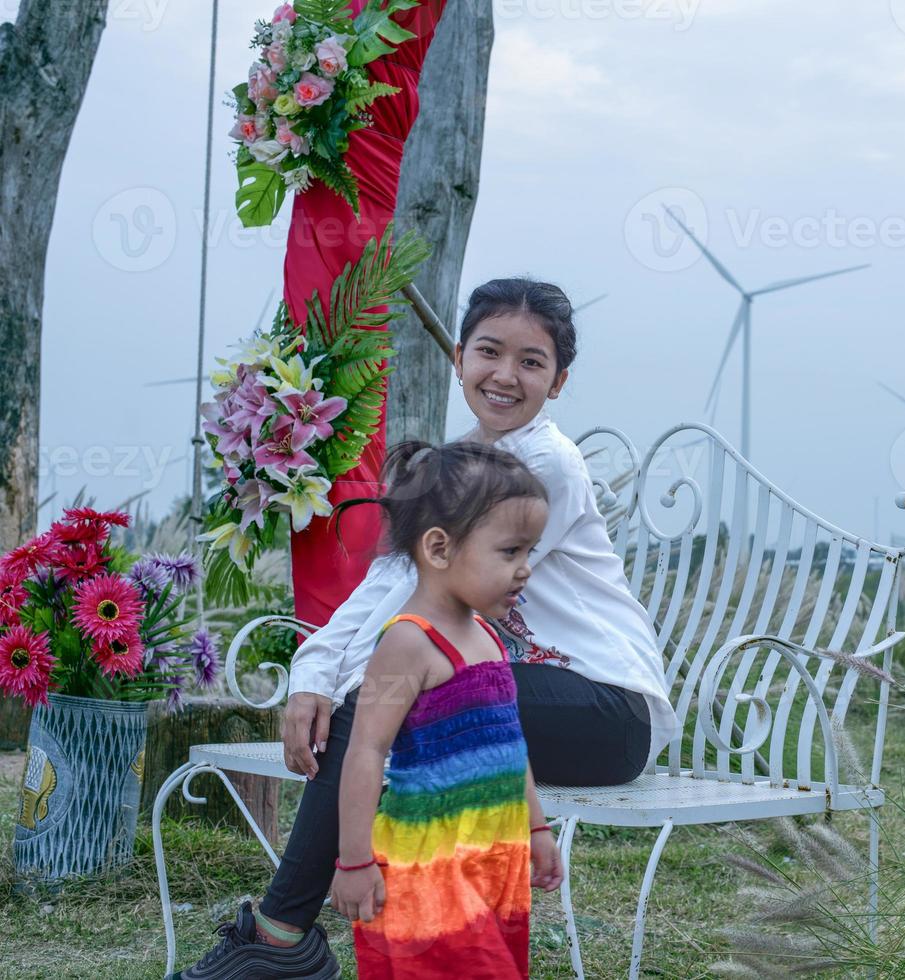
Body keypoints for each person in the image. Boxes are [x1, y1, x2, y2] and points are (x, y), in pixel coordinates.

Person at [171, 280, 675, 979]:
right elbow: (389, 581)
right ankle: (301, 933)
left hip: (603, 708)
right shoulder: (460, 461)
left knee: (383, 702)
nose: (505, 376)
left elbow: (423, 598)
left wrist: (345, 687)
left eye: (531, 362)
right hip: (506, 695)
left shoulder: (545, 465)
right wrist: (315, 675)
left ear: (558, 382)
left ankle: (281, 933)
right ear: (458, 358)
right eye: (489, 352)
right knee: (377, 701)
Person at [329, 440, 562, 978]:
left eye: (529, 552)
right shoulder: (408, 644)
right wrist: (354, 860)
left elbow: (508, 744)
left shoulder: (487, 634)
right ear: (438, 548)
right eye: (510, 552)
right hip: (432, 864)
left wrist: (536, 828)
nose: (526, 569)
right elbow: (365, 751)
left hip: (492, 856)